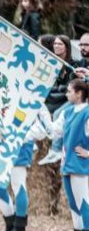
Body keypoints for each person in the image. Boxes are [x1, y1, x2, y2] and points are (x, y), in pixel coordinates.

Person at [37, 78, 89, 231]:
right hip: (67, 163)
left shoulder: (87, 113)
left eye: (69, 91)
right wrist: (41, 110)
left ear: (79, 93)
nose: (67, 94)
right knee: (74, 205)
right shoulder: (67, 112)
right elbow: (53, 131)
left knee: (84, 203)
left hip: (81, 164)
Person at [39, 34, 75, 166]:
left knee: (59, 113)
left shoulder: (72, 64)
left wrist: (59, 89)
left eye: (60, 44)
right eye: (55, 44)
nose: (56, 46)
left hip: (70, 98)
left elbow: (70, 87)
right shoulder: (52, 63)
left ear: (66, 47)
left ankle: (56, 149)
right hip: (56, 98)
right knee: (41, 111)